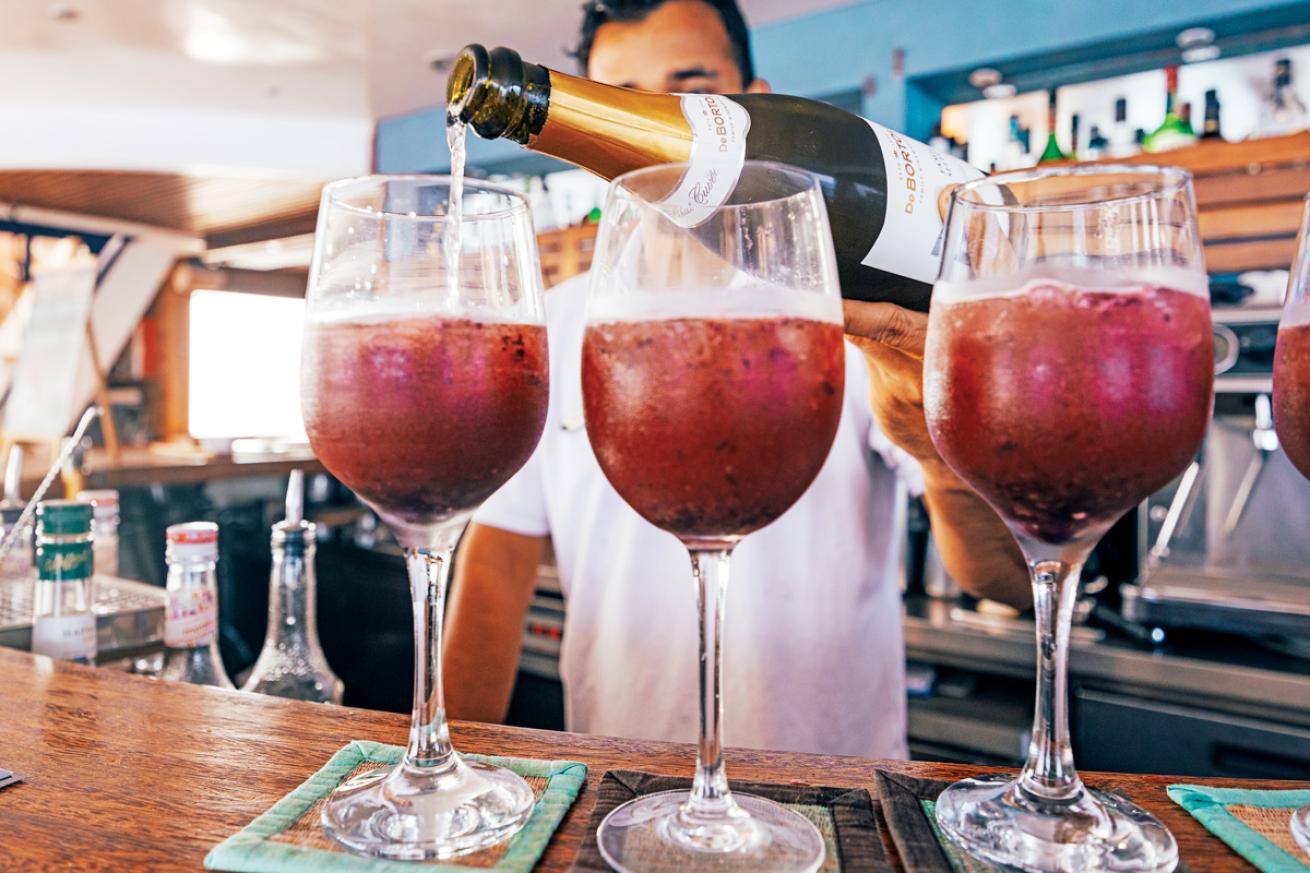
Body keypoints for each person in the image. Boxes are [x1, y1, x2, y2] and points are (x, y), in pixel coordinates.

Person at [443, 0, 1028, 759]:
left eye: (688, 94)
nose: (660, 131)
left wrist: (934, 447)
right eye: (628, 101)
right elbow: (493, 574)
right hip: (614, 791)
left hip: (838, 796)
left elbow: (1003, 581)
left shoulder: (855, 315)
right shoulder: (551, 321)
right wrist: (452, 786)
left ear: (750, 101)